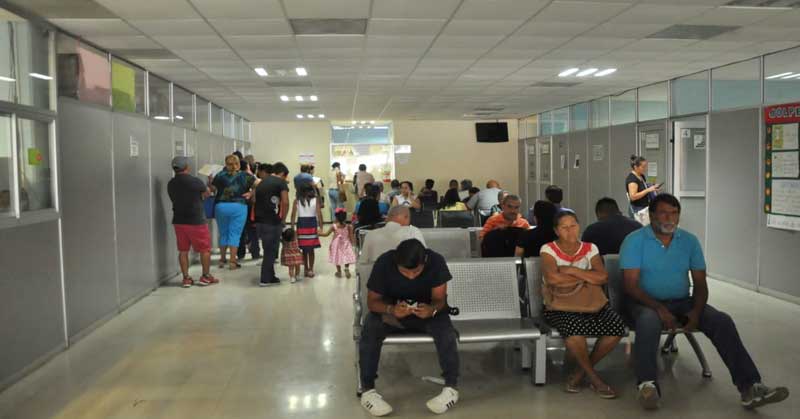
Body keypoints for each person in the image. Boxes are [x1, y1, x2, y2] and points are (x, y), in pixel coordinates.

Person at [620, 194, 789, 410]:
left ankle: (750, 387)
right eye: (663, 213)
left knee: (721, 321)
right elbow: (631, 285)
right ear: (651, 215)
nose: (669, 218)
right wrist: (659, 307)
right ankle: (647, 385)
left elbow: (700, 283)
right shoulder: (634, 240)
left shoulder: (689, 241)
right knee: (648, 321)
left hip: (682, 302)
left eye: (674, 213)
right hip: (643, 302)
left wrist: (696, 312)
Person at [359, 239, 460, 416]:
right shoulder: (384, 263)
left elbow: (440, 300)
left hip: (426, 314)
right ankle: (368, 390)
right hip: (392, 315)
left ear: (425, 261)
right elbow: (372, 302)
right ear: (396, 262)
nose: (411, 276)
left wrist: (432, 310)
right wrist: (391, 309)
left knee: (446, 331)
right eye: (405, 272)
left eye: (417, 271)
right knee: (371, 328)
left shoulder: (435, 261)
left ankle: (451, 388)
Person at [540, 211, 626, 399]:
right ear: (556, 231)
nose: (570, 230)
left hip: (591, 303)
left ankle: (579, 373)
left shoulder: (590, 248)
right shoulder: (548, 249)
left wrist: (571, 270)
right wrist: (587, 278)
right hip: (560, 306)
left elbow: (602, 277)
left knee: (617, 328)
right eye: (564, 227)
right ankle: (595, 379)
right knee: (574, 331)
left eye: (573, 225)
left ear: (579, 226)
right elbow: (553, 279)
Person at [167, 156, 217, 287]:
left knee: (183, 250)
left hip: (179, 221)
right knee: (204, 249)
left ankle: (186, 278)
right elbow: (207, 194)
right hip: (196, 220)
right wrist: (210, 184)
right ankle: (205, 276)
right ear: (187, 167)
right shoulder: (195, 181)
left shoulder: (171, 183)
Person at [209, 154, 255, 270]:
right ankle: (232, 261)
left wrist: (210, 180)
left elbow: (212, 189)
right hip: (239, 206)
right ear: (238, 164)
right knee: (235, 234)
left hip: (221, 206)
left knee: (223, 233)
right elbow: (259, 184)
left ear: (226, 164)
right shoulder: (245, 175)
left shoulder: (220, 175)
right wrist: (251, 193)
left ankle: (222, 259)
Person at [255, 162, 289, 286]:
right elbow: (285, 202)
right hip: (272, 221)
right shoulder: (281, 183)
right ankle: (265, 279)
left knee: (267, 249)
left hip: (260, 221)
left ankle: (271, 276)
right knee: (271, 251)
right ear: (282, 173)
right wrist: (283, 219)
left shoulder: (261, 182)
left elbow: (254, 199)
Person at [360, 206, 427, 264]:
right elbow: (425, 257)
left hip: (377, 273)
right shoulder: (413, 231)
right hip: (407, 273)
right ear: (406, 217)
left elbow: (362, 263)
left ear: (387, 218)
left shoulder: (370, 235)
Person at [291, 184, 323, 278]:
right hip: (312, 225)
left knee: (304, 249)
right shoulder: (315, 200)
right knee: (311, 249)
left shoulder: (296, 201)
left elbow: (293, 215)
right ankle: (311, 269)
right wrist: (321, 227)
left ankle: (305, 269)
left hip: (301, 225)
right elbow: (319, 214)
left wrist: (292, 228)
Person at [318, 208, 357, 278]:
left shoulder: (334, 226)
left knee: (337, 257)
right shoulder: (348, 226)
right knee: (347, 256)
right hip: (346, 243)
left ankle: (339, 272)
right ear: (345, 217)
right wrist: (353, 244)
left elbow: (326, 234)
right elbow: (351, 237)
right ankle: (346, 268)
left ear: (336, 217)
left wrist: (318, 233)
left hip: (336, 245)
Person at [627, 155, 661, 225]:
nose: (645, 169)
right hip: (638, 211)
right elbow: (633, 197)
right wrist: (648, 190)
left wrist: (653, 188)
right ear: (635, 167)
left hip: (645, 209)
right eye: (643, 167)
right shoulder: (632, 179)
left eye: (646, 166)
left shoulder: (641, 176)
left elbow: (643, 188)